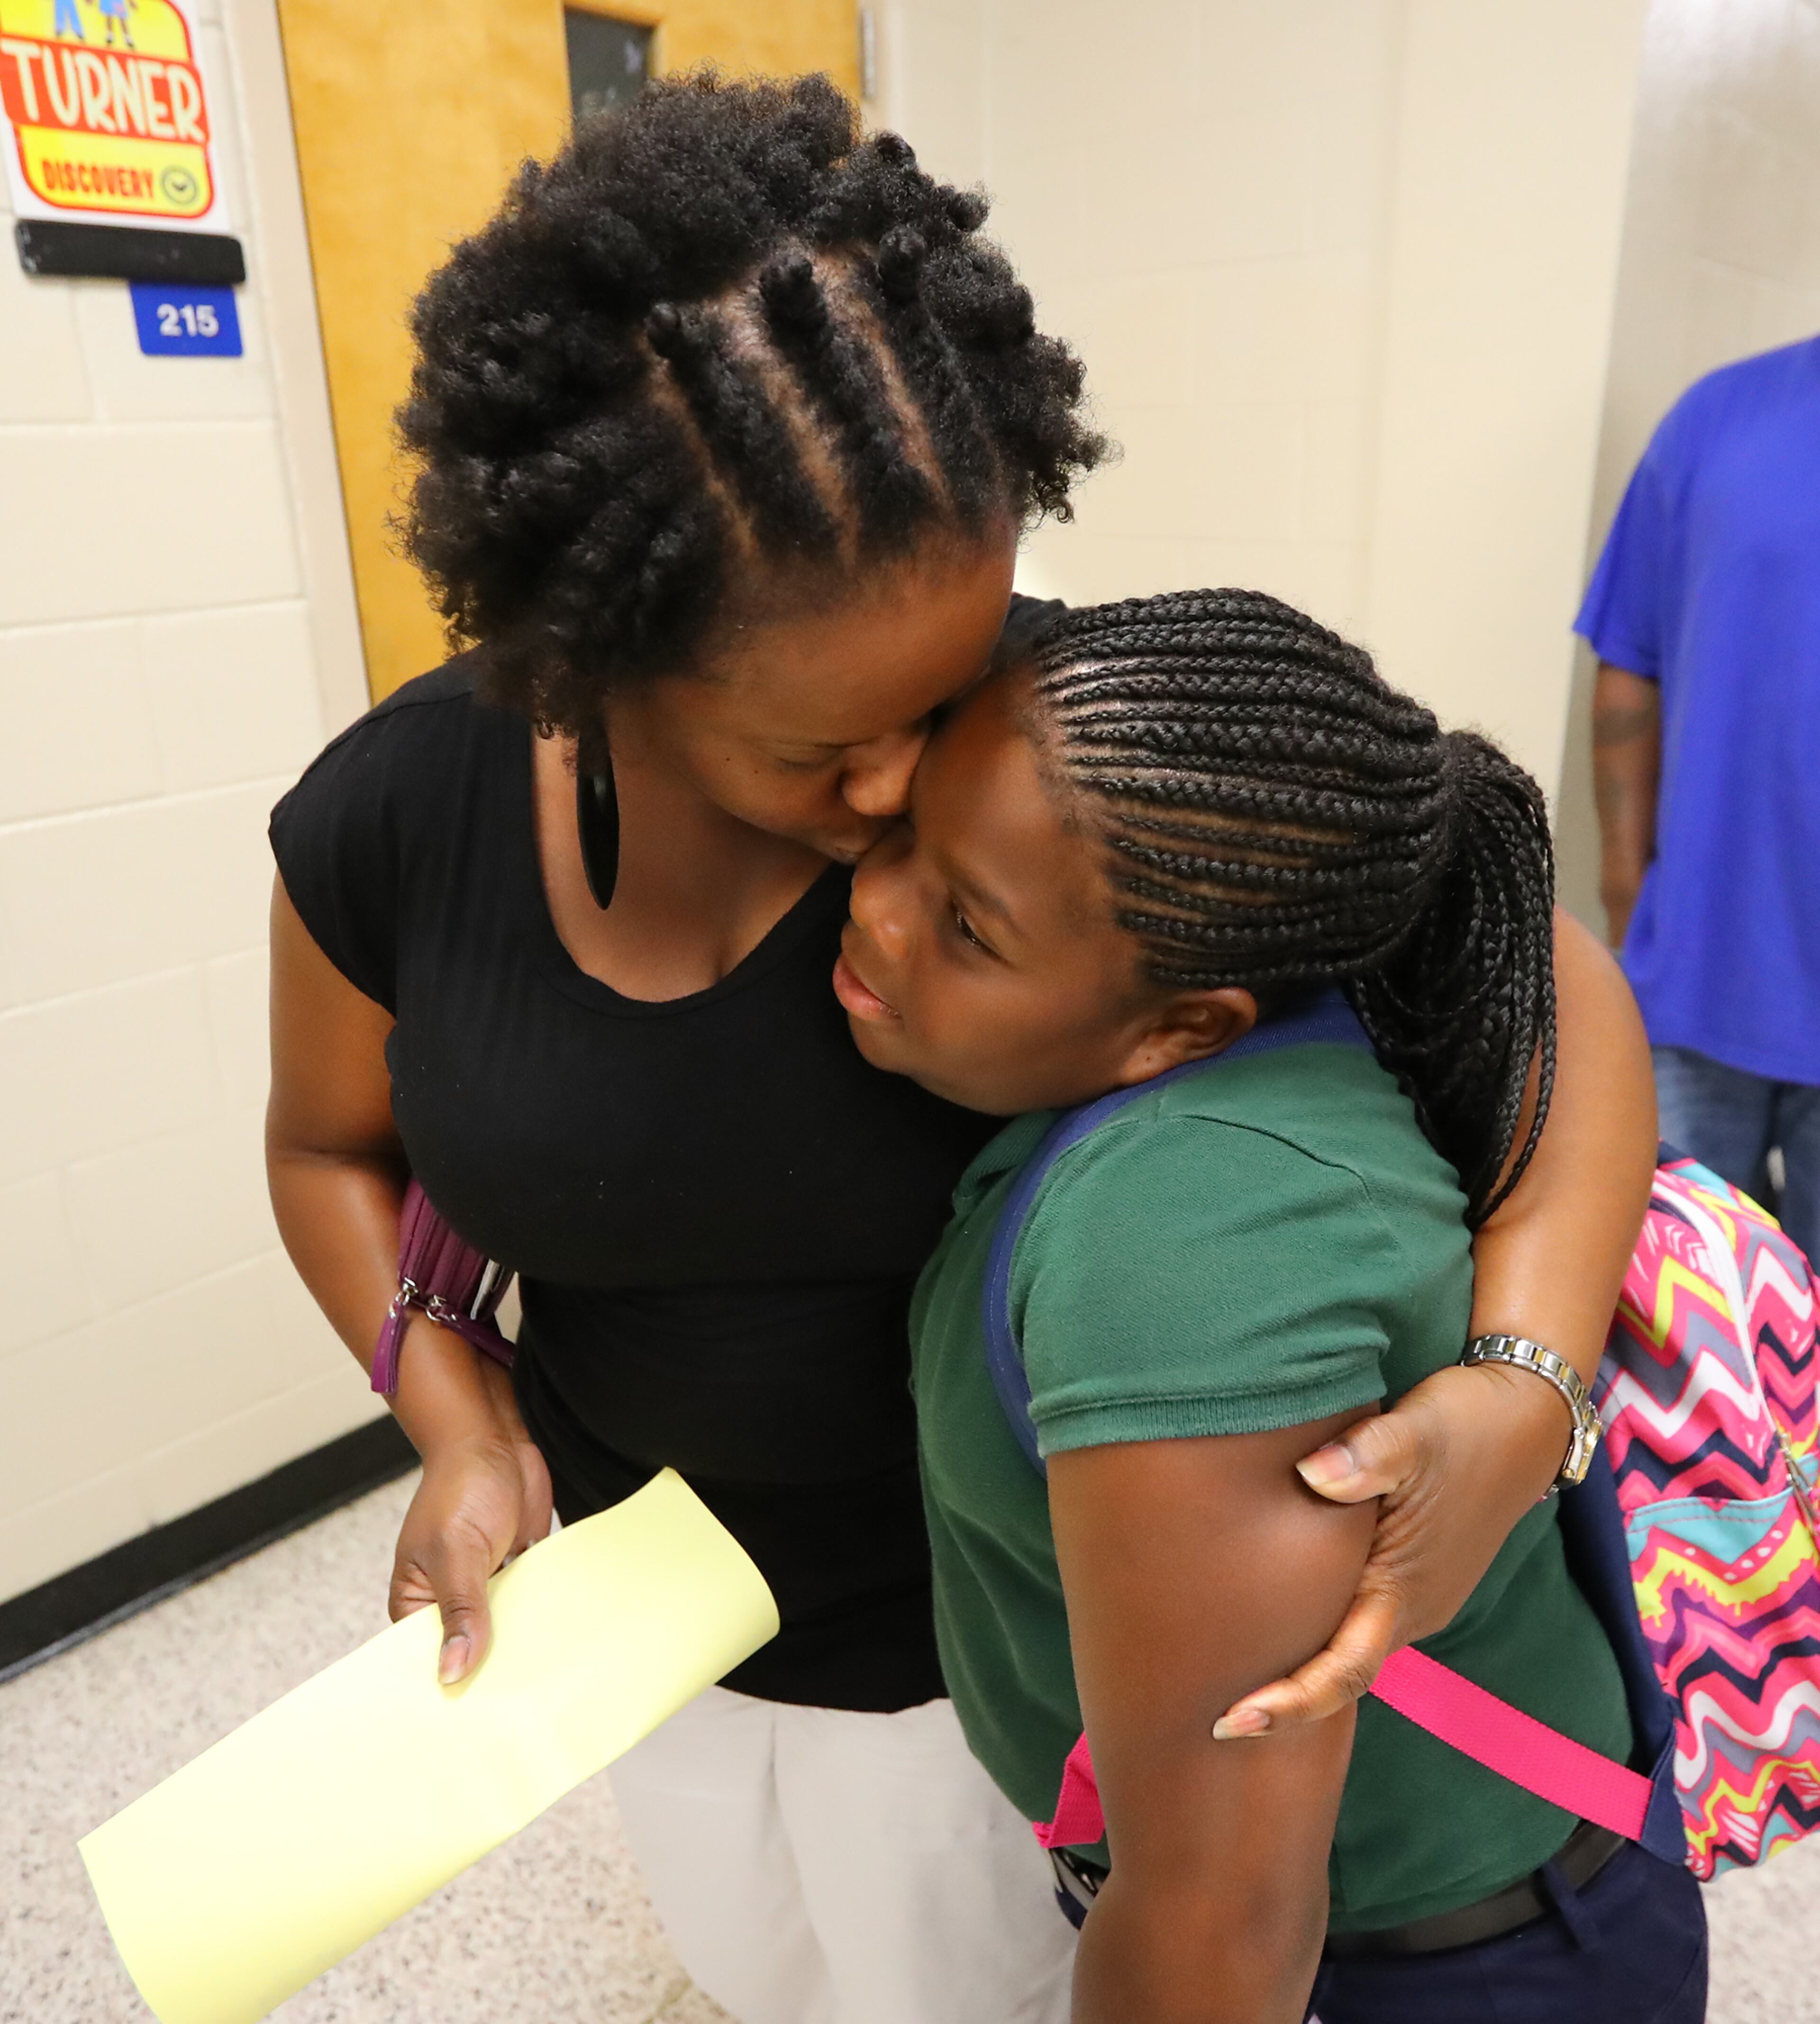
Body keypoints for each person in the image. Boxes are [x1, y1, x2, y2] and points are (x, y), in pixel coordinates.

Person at [266, 76, 1658, 2024]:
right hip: (652, 1619)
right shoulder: (396, 816)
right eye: (830, 755)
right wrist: (458, 1422)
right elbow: (328, 1147)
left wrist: (1526, 1369)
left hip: (998, 1671)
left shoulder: (1043, 763)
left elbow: (1529, 944)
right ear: (595, 662)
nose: (917, 779)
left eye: (954, 681)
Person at [836, 589, 1700, 2024]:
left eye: (970, 926)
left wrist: (1533, 1377)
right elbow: (1547, 944)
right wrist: (1536, 1368)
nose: (876, 901)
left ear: (1183, 1032)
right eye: (902, 832)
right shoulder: (1283, 914)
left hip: (1442, 1968)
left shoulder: (1185, 1245)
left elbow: (1220, 1924)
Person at [1579, 335, 1820, 1262]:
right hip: (1697, 977)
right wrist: (1626, 890)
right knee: (1671, 1331)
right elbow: (1629, 662)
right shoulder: (1715, 419)